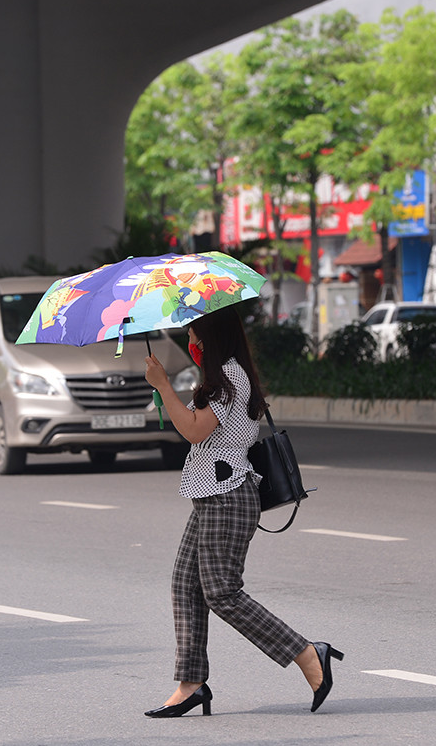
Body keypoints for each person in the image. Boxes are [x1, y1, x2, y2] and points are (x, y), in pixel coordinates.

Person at [143, 305, 342, 717]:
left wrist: (163, 386)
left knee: (222, 593)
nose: (190, 340)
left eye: (194, 332)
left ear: (211, 334)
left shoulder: (229, 375)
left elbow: (195, 430)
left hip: (227, 495)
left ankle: (308, 653)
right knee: (186, 583)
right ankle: (191, 683)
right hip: (212, 494)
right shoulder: (224, 377)